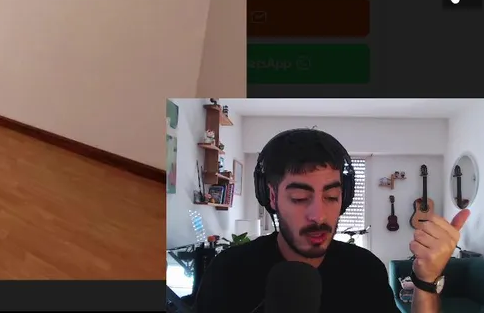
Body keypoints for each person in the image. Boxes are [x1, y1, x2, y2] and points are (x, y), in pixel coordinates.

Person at [193, 128, 469, 312]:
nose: (319, 215)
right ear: (272, 198)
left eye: (331, 196)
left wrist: (426, 282)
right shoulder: (228, 271)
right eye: (300, 197)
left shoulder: (365, 270)